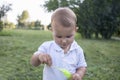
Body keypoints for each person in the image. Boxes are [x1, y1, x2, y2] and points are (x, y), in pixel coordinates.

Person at [30, 7, 87, 80]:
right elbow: (33, 63)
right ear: (52, 31)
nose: (63, 41)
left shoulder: (77, 50)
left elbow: (82, 67)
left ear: (75, 30)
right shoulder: (47, 47)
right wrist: (39, 56)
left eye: (68, 36)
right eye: (59, 36)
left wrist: (78, 75)